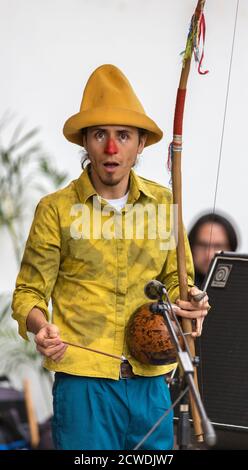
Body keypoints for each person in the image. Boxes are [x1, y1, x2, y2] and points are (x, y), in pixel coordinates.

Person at [12, 64, 209, 450]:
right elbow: (28, 294)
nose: (112, 149)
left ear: (140, 145)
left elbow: (176, 281)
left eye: (123, 136)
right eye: (100, 134)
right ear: (85, 141)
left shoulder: (164, 205)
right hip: (83, 386)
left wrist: (193, 301)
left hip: (151, 383)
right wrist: (40, 325)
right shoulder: (56, 210)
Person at [188, 212, 238, 288]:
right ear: (191, 247)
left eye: (218, 246)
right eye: (202, 245)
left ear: (231, 249)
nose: (209, 254)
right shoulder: (175, 286)